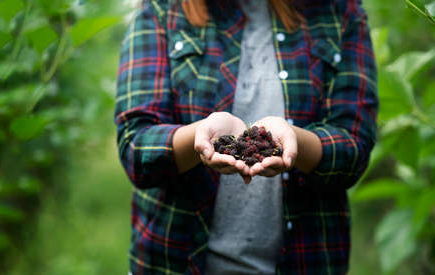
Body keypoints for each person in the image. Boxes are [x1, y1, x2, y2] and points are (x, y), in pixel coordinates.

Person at [115, 0, 378, 274]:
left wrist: (295, 141)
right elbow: (136, 147)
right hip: (175, 260)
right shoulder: (162, 10)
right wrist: (200, 135)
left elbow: (353, 147)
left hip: (306, 259)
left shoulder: (340, 12)